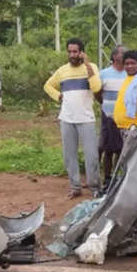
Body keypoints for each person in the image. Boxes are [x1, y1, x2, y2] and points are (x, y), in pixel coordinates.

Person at [44, 38, 102, 199]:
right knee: (70, 155)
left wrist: (88, 64)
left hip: (86, 119)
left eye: (75, 51)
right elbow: (47, 85)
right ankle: (75, 186)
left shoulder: (92, 68)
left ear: (81, 52)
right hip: (66, 119)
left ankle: (95, 187)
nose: (72, 54)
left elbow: (96, 87)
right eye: (69, 51)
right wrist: (58, 95)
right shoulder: (62, 71)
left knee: (91, 156)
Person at [96, 44, 127, 187]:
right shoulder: (104, 73)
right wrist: (105, 104)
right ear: (114, 56)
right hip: (108, 116)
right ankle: (107, 178)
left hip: (125, 117)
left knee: (121, 149)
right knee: (108, 148)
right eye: (122, 53)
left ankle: (117, 176)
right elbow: (97, 92)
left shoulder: (130, 74)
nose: (125, 55)